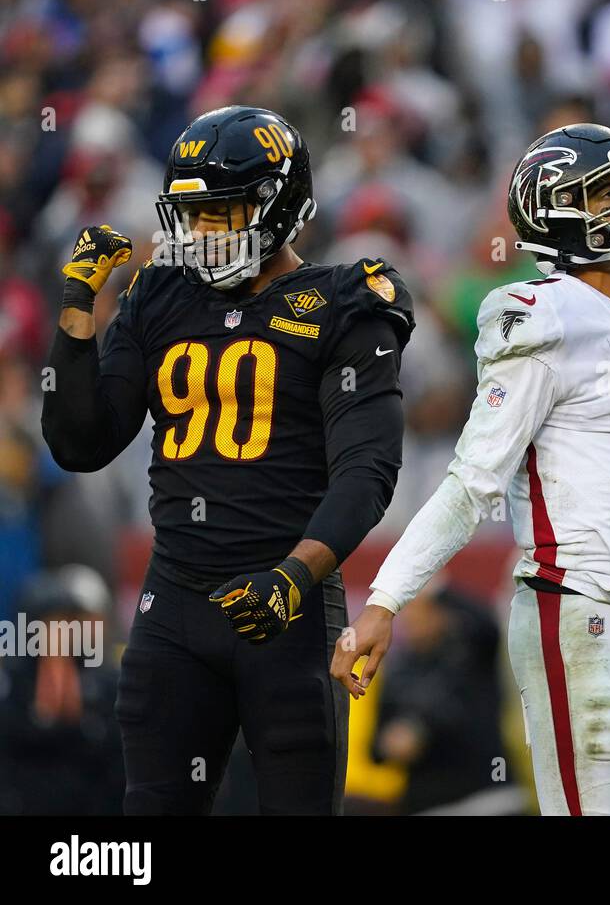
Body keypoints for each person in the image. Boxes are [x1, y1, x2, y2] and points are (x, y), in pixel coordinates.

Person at [332, 122, 610, 816]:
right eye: (609, 191)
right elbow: (472, 482)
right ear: (561, 219)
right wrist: (386, 600)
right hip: (584, 614)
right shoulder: (541, 317)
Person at [41, 105, 415, 814]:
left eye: (223, 211)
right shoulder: (159, 293)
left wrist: (294, 575)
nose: (204, 233)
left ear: (279, 204)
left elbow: (368, 470)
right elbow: (80, 443)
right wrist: (77, 312)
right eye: (194, 215)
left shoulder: (342, 300)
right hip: (174, 605)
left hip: (289, 607)